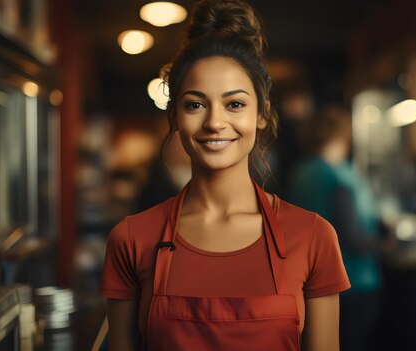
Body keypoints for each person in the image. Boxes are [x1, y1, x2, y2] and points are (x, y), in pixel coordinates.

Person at [100, 1, 350, 350]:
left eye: (234, 104)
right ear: (174, 116)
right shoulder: (131, 239)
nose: (215, 122)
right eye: (195, 104)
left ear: (261, 114)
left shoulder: (313, 238)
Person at [288, 105, 384, 351]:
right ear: (343, 136)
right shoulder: (338, 176)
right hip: (352, 282)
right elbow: (352, 236)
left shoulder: (300, 173)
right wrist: (387, 242)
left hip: (307, 283)